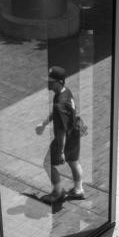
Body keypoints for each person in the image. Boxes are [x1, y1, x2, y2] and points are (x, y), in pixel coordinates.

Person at [35, 65, 85, 204]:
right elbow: (57, 113)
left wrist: (61, 150)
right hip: (75, 132)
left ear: (59, 82)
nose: (48, 82)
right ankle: (78, 190)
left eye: (50, 80)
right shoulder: (65, 92)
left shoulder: (60, 103)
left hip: (65, 137)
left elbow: (61, 130)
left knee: (48, 163)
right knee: (74, 162)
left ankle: (58, 193)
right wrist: (44, 123)